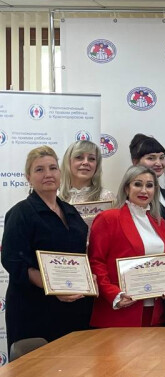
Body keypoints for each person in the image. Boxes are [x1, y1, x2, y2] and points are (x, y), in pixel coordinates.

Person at [1, 146, 93, 349]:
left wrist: (88, 277)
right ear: (28, 177)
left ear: (60, 173)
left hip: (74, 307)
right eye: (39, 169)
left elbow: (80, 255)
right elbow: (13, 261)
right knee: (37, 367)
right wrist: (52, 286)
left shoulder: (71, 212)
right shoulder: (20, 213)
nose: (48, 174)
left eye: (53, 168)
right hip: (34, 310)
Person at [88, 165, 165, 328]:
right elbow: (95, 262)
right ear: (127, 188)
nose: (144, 190)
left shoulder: (159, 222)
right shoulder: (108, 218)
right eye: (138, 184)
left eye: (149, 185)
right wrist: (114, 294)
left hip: (155, 314)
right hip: (119, 311)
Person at [129, 134, 165, 220]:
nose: (158, 163)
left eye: (161, 158)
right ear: (135, 162)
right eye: (151, 158)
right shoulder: (135, 197)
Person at [58, 140, 115, 204]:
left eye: (91, 158)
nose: (86, 162)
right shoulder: (54, 196)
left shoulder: (106, 198)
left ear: (97, 165)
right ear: (68, 162)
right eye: (79, 157)